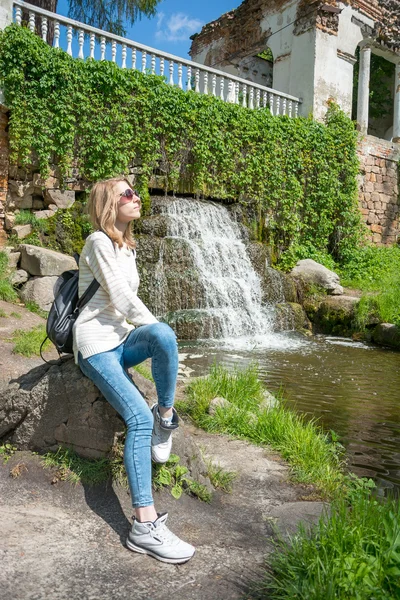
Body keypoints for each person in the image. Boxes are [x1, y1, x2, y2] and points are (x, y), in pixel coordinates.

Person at [73, 176, 195, 564]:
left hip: (121, 340)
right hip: (96, 346)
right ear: (109, 203)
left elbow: (131, 309)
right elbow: (123, 298)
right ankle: (144, 525)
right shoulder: (98, 242)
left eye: (135, 191)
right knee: (136, 420)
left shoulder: (128, 247)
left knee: (164, 337)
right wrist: (155, 327)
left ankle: (166, 415)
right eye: (127, 193)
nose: (137, 197)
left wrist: (158, 333)